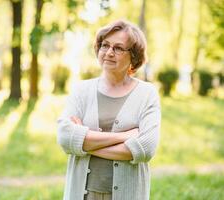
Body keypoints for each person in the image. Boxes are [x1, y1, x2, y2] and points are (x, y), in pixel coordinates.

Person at [57, 19, 161, 200]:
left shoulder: (147, 94)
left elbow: (145, 149)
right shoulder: (81, 90)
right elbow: (65, 137)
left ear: (134, 56)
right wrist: (124, 137)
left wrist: (83, 143)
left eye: (118, 48)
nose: (109, 53)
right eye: (105, 45)